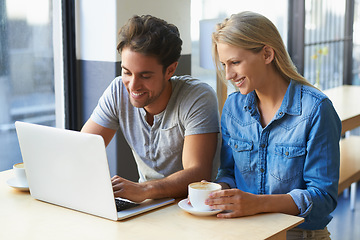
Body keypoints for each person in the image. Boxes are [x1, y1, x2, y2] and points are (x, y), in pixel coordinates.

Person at [206, 11, 341, 238]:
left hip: (297, 234)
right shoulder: (233, 108)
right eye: (224, 64)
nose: (228, 74)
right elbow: (228, 172)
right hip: (244, 232)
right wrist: (219, 191)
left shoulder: (316, 109)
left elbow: (323, 199)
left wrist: (257, 204)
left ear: (267, 54)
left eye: (235, 62)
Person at [81, 15, 220, 203]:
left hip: (190, 205)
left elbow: (197, 174)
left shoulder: (197, 97)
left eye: (145, 76)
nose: (133, 85)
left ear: (170, 70)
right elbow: (83, 148)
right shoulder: (117, 90)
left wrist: (143, 189)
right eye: (126, 72)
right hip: (146, 204)